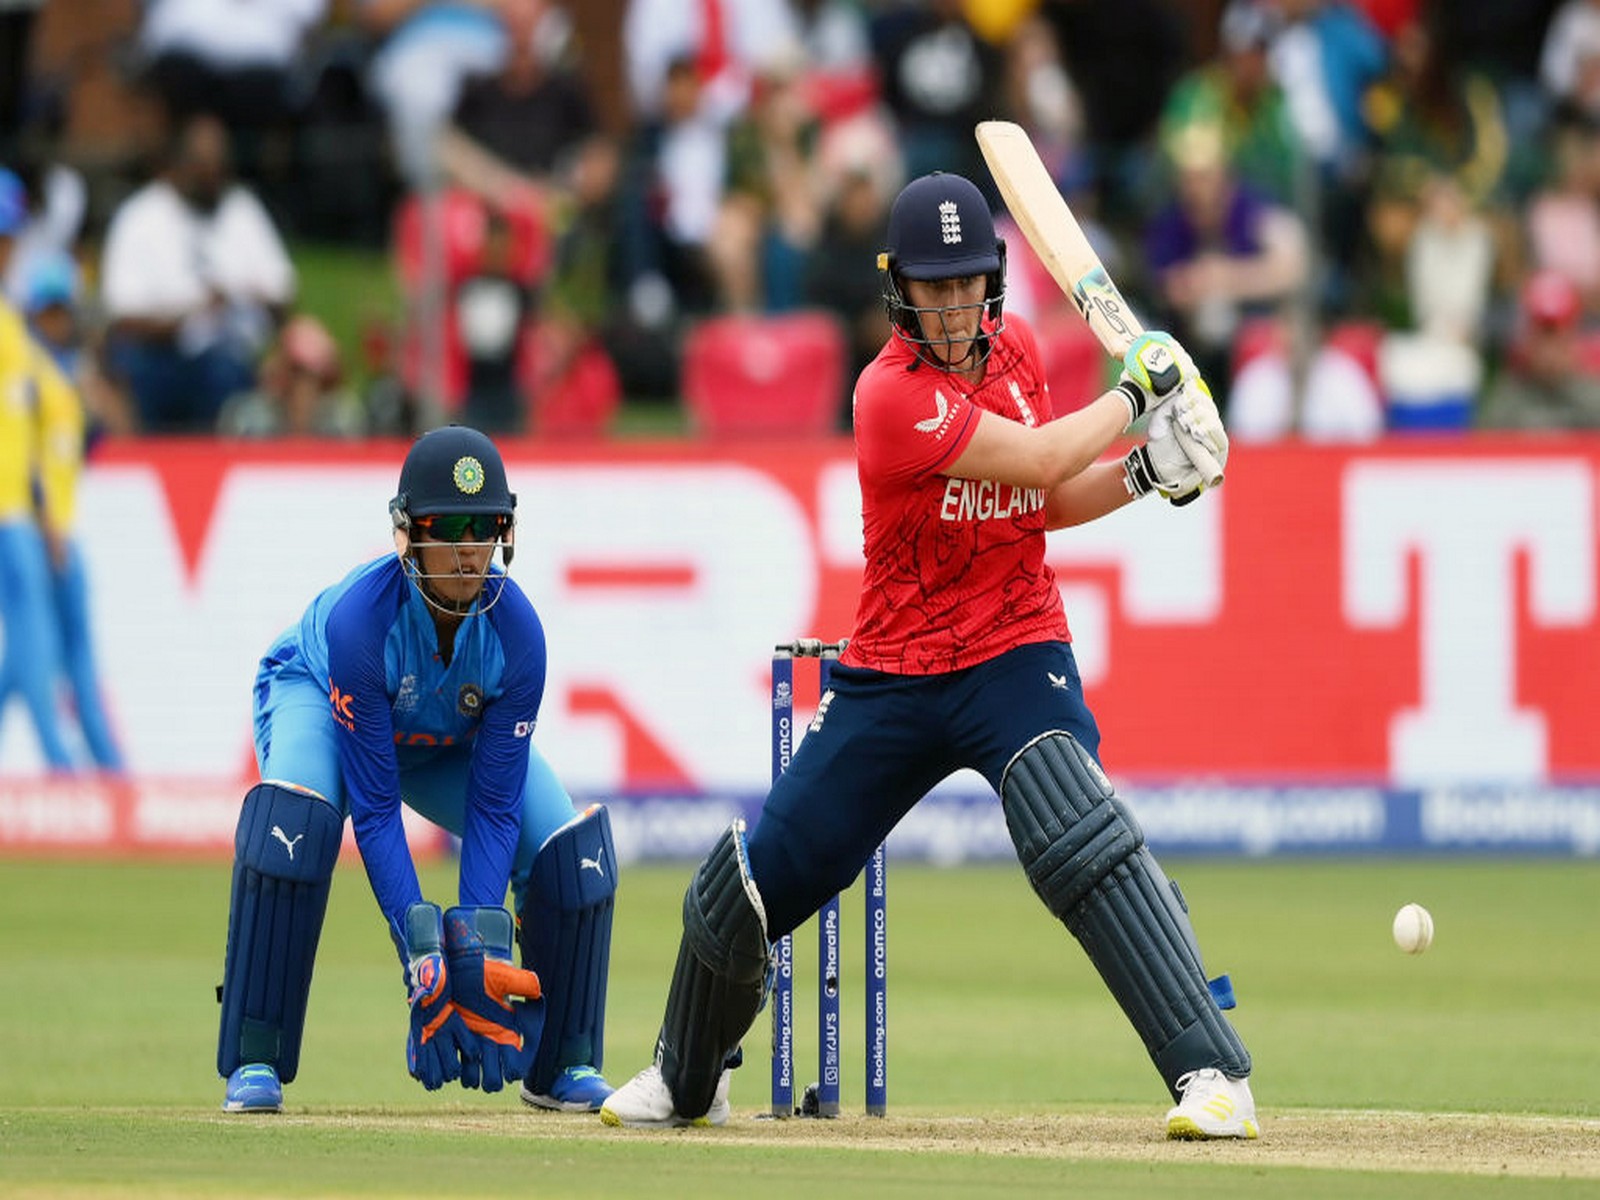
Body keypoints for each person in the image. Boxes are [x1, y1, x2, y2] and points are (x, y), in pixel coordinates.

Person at [598, 172, 1257, 1139]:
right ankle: (683, 1077)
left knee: (1075, 831)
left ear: (992, 282)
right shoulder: (887, 394)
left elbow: (1045, 500)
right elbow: (1042, 458)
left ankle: (1213, 1076)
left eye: (966, 283)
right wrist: (1139, 392)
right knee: (747, 887)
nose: (951, 306)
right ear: (897, 289)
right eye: (931, 286)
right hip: (895, 668)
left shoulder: (1019, 350)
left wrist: (1149, 471)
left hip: (1014, 643)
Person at [216, 425, 616, 1115]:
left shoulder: (519, 636)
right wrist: (422, 952)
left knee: (568, 853)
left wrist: (477, 943)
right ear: (407, 534)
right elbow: (374, 811)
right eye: (448, 527)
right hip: (318, 694)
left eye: (485, 527)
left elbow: (495, 807)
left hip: (439, 740)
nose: (469, 549)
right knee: (295, 828)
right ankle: (256, 1056)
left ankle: (561, 1065)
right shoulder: (360, 626)